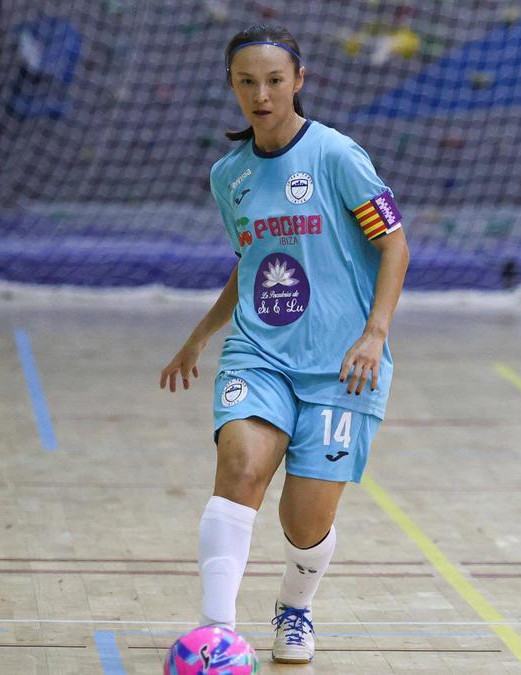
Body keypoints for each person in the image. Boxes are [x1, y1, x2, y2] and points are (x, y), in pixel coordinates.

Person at [159, 23, 410, 665]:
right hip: (260, 351)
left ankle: (295, 607)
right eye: (247, 82)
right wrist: (201, 335)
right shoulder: (230, 175)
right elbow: (250, 260)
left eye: (274, 80)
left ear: (298, 80)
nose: (261, 94)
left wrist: (374, 334)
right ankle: (216, 635)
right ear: (232, 86)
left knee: (304, 522)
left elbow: (394, 246)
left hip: (341, 365)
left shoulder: (336, 156)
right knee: (240, 470)